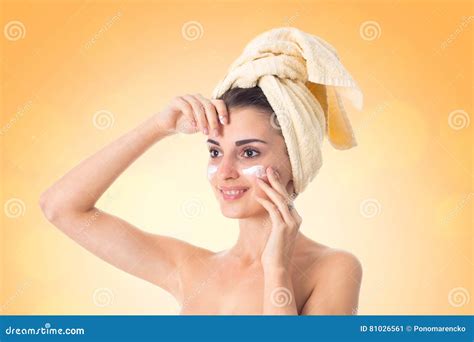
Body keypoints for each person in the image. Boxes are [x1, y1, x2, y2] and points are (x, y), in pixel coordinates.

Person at [39, 86, 362, 315]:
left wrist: (276, 268)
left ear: (297, 162)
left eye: (249, 152)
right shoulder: (190, 268)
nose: (224, 172)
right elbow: (61, 208)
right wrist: (158, 126)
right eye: (215, 152)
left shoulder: (333, 269)